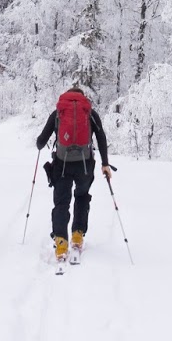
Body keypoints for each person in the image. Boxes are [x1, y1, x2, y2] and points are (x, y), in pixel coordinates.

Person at [35, 84, 113, 262]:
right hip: (85, 165)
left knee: (61, 202)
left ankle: (61, 241)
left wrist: (40, 144)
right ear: (82, 97)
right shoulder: (90, 113)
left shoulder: (58, 113)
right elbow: (101, 137)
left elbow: (41, 141)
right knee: (82, 196)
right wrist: (105, 164)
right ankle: (78, 235)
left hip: (62, 165)